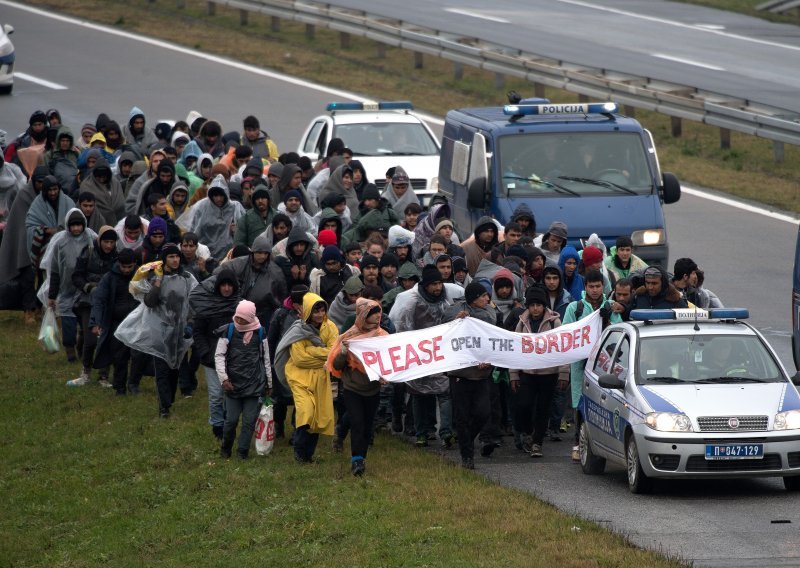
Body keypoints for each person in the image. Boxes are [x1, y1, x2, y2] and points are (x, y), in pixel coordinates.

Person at [563, 269, 622, 461]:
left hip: (604, 366)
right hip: (581, 365)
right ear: (585, 287)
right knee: (580, 402)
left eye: (598, 286)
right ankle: (578, 443)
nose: (595, 290)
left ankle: (602, 442)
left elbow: (618, 334)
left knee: (601, 402)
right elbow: (567, 333)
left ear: (603, 287)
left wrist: (606, 317)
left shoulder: (610, 306)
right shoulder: (575, 307)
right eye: (591, 286)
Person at [326, 298, 388, 476]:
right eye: (372, 313)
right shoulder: (348, 337)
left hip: (373, 389)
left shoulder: (383, 337)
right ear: (362, 315)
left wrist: (386, 375)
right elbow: (336, 366)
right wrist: (344, 353)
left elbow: (389, 361)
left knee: (367, 425)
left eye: (378, 312)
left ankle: (361, 456)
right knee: (357, 423)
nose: (377, 316)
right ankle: (357, 461)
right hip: (352, 388)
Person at [274, 293, 338, 463]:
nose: (319, 314)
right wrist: (323, 354)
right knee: (306, 412)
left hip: (320, 378)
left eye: (322, 310)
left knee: (318, 416)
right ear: (308, 311)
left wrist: (312, 351)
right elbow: (299, 359)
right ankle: (299, 450)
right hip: (299, 377)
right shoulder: (297, 330)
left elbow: (334, 352)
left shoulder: (330, 327)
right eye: (315, 310)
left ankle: (307, 456)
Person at [442, 282, 498, 469]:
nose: (486, 299)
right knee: (462, 416)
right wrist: (457, 322)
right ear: (473, 298)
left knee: (483, 413)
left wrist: (489, 359)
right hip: (460, 375)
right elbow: (444, 332)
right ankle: (467, 455)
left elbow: (494, 340)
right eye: (482, 296)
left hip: (481, 374)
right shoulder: (455, 311)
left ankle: (466, 439)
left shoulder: (490, 313)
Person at [510, 286, 570, 458]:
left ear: (544, 306)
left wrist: (563, 373)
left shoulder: (554, 322)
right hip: (527, 373)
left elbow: (562, 349)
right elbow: (515, 350)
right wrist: (513, 374)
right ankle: (528, 432)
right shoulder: (522, 323)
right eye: (532, 305)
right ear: (528, 306)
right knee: (524, 405)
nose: (535, 308)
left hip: (548, 374)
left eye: (539, 305)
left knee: (543, 409)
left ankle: (537, 442)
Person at [139, 243, 198, 418]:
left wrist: (190, 324)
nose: (175, 260)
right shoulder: (155, 279)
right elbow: (149, 302)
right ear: (164, 260)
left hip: (179, 332)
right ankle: (163, 407)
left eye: (177, 256)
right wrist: (157, 282)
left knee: (175, 368)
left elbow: (195, 301)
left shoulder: (187, 278)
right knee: (162, 370)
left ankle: (169, 398)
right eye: (171, 257)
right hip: (160, 331)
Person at [215, 299, 272, 460]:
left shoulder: (260, 332)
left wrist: (269, 383)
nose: (239, 321)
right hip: (232, 385)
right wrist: (224, 379)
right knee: (230, 421)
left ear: (250, 318)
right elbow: (219, 356)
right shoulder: (229, 331)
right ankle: (226, 448)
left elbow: (265, 358)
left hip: (254, 385)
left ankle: (242, 452)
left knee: (248, 421)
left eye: (243, 318)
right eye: (237, 317)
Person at [190, 266, 241, 440]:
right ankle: (217, 426)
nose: (226, 289)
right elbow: (198, 332)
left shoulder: (239, 306)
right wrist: (205, 353)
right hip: (212, 359)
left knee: (231, 393)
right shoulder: (206, 306)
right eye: (223, 285)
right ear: (217, 286)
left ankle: (229, 424)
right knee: (215, 394)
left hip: (233, 358)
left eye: (230, 285)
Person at [68, 225, 119, 387]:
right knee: (90, 340)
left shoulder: (117, 258)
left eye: (112, 242)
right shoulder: (88, 252)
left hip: (107, 304)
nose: (109, 246)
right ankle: (86, 371)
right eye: (106, 241)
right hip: (87, 302)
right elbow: (76, 276)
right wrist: (89, 287)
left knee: (105, 340)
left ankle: (103, 375)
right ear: (99, 240)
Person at [89, 248, 144, 395]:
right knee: (119, 357)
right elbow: (99, 299)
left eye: (129, 267)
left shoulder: (141, 276)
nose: (126, 270)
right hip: (116, 323)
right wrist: (95, 321)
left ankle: (133, 383)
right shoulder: (109, 278)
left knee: (138, 355)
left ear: (134, 264)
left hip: (137, 323)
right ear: (118, 264)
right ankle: (119, 388)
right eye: (123, 266)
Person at [46, 209, 96, 363]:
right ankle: (70, 352)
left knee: (85, 324)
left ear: (84, 225)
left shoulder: (92, 238)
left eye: (79, 225)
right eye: (73, 225)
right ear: (68, 225)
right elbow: (55, 270)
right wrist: (52, 296)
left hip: (85, 290)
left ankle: (82, 348)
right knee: (68, 324)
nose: (76, 229)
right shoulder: (60, 243)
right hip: (66, 290)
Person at [233, 184, 274, 248]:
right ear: (253, 201)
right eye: (257, 198)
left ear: (268, 199)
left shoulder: (276, 216)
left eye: (263, 198)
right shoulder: (246, 218)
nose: (260, 201)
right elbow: (238, 243)